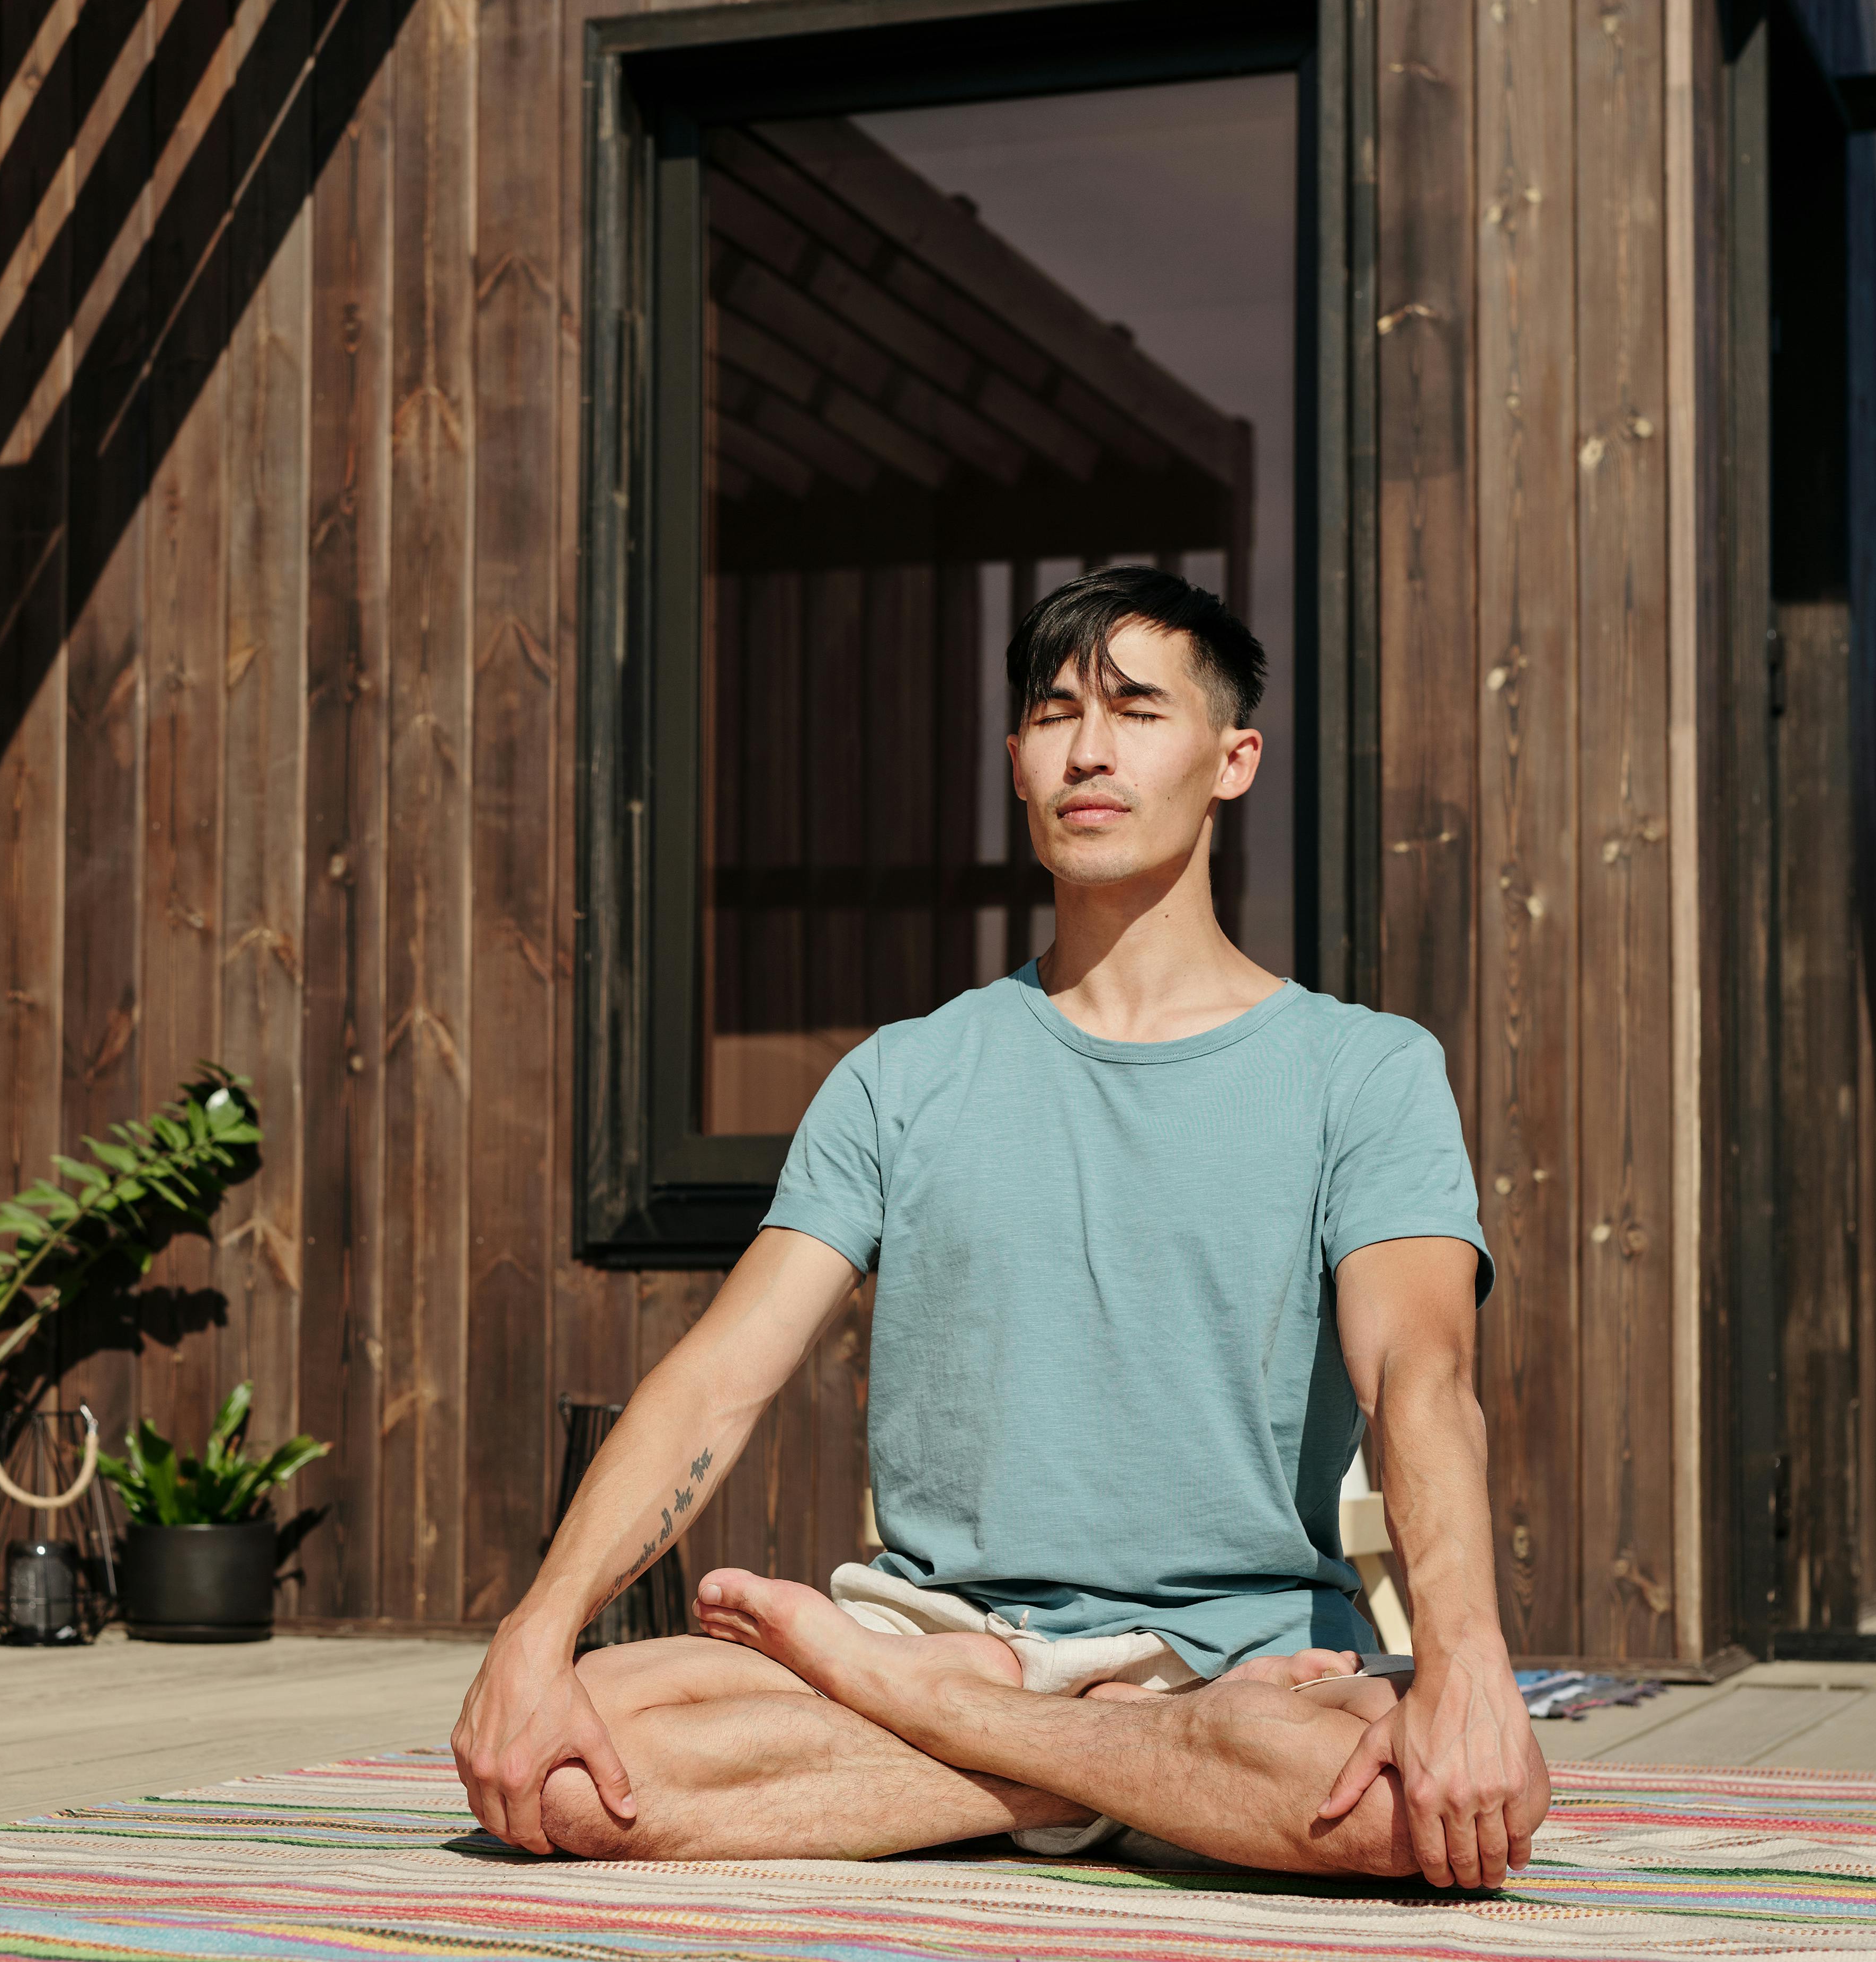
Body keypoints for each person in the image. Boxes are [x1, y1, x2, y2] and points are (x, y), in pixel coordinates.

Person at [452, 566, 1550, 1888]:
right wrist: (535, 1627)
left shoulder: (1364, 1070)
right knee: (566, 1760)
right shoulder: (902, 1075)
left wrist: (1470, 1659)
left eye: (1138, 709)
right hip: (938, 1629)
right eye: (1053, 712)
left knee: (1432, 1808)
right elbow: (716, 1381)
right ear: (1017, 763)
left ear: (1233, 758)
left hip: (1235, 1657)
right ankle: (1127, 1772)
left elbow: (1417, 1376)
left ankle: (980, 1742)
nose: (1088, 747)